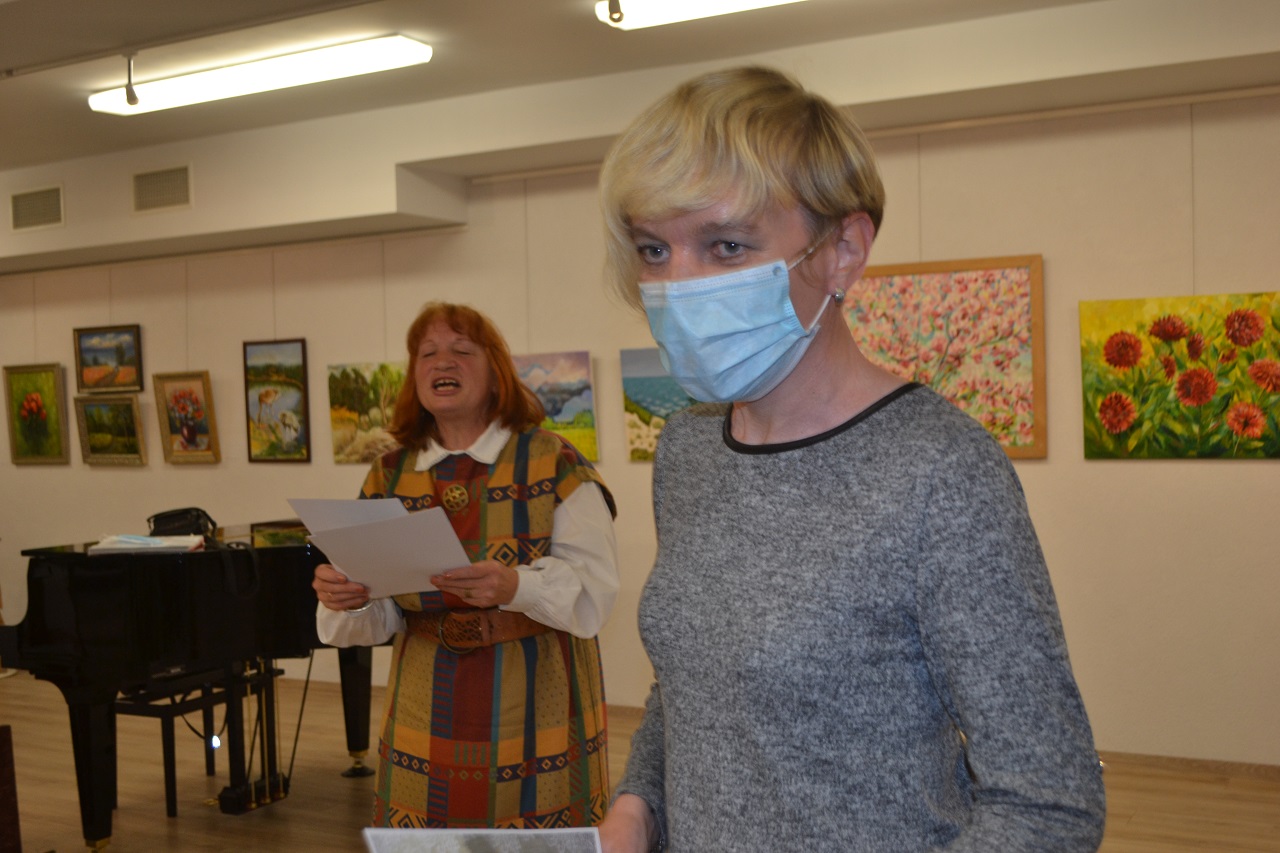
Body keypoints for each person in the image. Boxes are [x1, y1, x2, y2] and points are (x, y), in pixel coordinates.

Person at [595, 67, 1106, 852]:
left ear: (842, 251)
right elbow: (695, 686)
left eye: (726, 245)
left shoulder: (939, 470)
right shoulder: (689, 449)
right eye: (654, 249)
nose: (678, 285)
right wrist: (638, 805)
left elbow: (1050, 804)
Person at [313, 301, 619, 830]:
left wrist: (516, 586)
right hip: (424, 704)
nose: (442, 362)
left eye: (462, 350)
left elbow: (596, 590)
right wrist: (350, 598)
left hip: (537, 699)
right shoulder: (389, 474)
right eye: (427, 353)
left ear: (496, 372)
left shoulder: (553, 460)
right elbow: (381, 612)